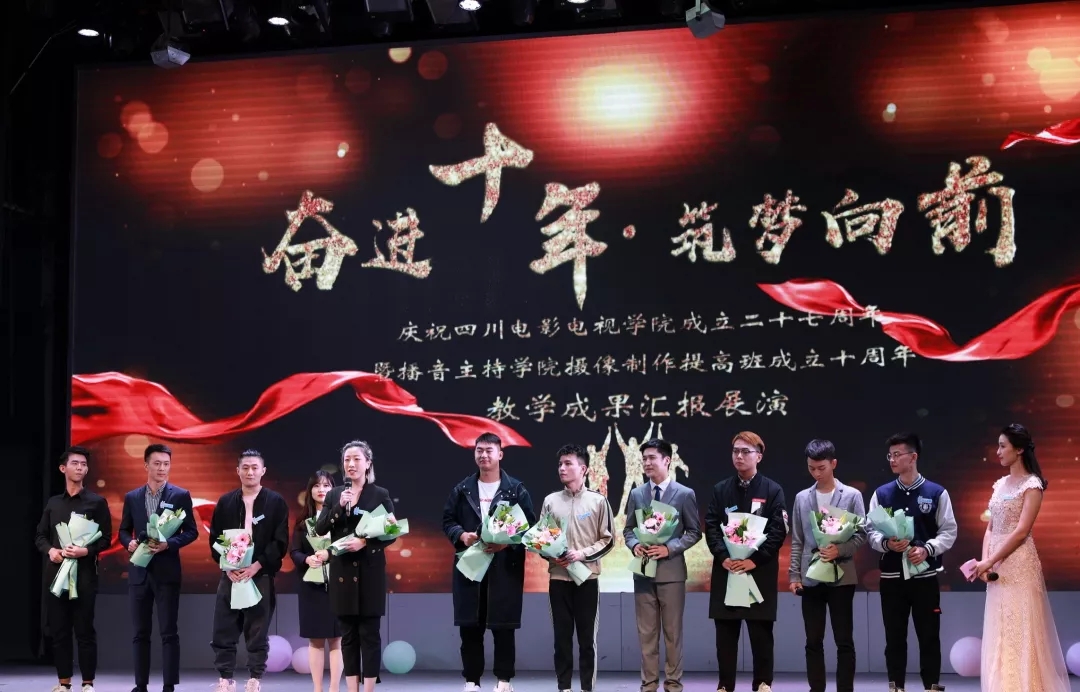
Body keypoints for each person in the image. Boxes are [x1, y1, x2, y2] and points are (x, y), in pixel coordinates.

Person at [973, 424, 1070, 692]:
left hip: (1018, 563)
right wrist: (984, 562)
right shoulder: (999, 484)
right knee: (1001, 627)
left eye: (1003, 446)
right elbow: (990, 528)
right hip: (996, 564)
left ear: (1019, 449)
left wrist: (990, 561)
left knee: (1021, 627)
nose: (998, 451)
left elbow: (1021, 532)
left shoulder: (1032, 485)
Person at [442, 432, 536, 692]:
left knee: (503, 627)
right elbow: (448, 520)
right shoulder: (462, 489)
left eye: (489, 451)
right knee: (470, 627)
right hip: (471, 566)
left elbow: (530, 527)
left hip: (504, 568)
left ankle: (504, 681)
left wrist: (507, 543)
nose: (483, 455)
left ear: (500, 454)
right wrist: (461, 535)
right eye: (479, 450)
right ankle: (472, 680)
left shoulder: (516, 489)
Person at [867, 432, 956, 692]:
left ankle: (931, 686)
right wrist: (887, 544)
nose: (892, 460)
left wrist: (927, 549)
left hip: (924, 577)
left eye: (897, 455)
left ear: (913, 457)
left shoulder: (936, 492)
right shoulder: (882, 494)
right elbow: (870, 531)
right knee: (894, 636)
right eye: (890, 455)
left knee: (929, 635)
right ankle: (896, 686)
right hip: (892, 578)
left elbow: (949, 531)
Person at [703, 431, 787, 692]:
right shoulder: (721, 490)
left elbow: (778, 531)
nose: (739, 456)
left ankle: (763, 683)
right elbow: (711, 526)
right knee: (725, 634)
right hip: (727, 570)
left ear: (758, 457)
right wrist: (724, 556)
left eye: (745, 451)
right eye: (735, 451)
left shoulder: (772, 490)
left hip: (758, 571)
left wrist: (755, 560)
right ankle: (725, 685)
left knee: (761, 634)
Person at [118, 443, 199, 692]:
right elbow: (123, 530)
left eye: (166, 464)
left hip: (167, 572)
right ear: (146, 465)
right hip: (139, 573)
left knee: (168, 632)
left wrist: (168, 544)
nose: (162, 468)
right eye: (157, 463)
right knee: (140, 633)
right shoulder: (133, 497)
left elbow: (192, 532)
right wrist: (129, 543)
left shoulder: (180, 495)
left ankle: (168, 685)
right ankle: (140, 685)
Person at [623, 437, 702, 692]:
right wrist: (635, 544)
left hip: (671, 573)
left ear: (667, 460)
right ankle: (648, 684)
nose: (646, 463)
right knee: (646, 634)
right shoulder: (637, 493)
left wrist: (669, 548)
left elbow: (694, 532)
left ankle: (673, 684)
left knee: (672, 633)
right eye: (644, 459)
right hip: (643, 572)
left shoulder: (684, 494)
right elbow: (628, 530)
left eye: (652, 458)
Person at [316, 442, 396, 692]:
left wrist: (365, 542)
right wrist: (339, 507)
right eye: (347, 460)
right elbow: (320, 528)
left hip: (369, 571)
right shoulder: (334, 494)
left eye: (356, 459)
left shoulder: (379, 494)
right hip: (342, 571)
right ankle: (352, 689)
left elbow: (392, 532)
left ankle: (369, 688)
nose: (350, 464)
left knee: (370, 634)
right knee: (348, 636)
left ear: (368, 463)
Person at [208, 449, 290, 692]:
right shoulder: (225, 502)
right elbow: (215, 538)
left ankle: (255, 678)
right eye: (245, 467)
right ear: (238, 471)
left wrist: (257, 565)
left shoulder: (275, 502)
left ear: (263, 471)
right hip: (230, 576)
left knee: (257, 629)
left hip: (260, 575)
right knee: (224, 628)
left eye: (255, 467)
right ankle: (225, 678)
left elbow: (280, 542)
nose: (250, 472)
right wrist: (227, 566)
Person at [788, 440, 866, 692]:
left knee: (844, 639)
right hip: (811, 577)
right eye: (811, 468)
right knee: (813, 640)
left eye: (821, 468)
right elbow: (798, 539)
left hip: (842, 576)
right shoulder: (802, 498)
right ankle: (817, 689)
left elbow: (862, 534)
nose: (816, 473)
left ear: (833, 463)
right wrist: (794, 575)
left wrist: (839, 550)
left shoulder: (852, 495)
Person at [35, 446, 112, 692]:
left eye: (83, 464)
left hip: (85, 575)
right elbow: (40, 536)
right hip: (56, 576)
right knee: (59, 631)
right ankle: (64, 682)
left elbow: (106, 539)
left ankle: (88, 683)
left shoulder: (96, 502)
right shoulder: (54, 503)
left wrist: (85, 551)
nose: (80, 468)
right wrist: (51, 551)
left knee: (84, 630)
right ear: (63, 468)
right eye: (75, 463)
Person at [539, 443, 615, 692]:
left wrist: (581, 554)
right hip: (558, 579)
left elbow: (608, 540)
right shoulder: (550, 501)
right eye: (560, 464)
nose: (562, 468)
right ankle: (564, 688)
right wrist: (553, 556)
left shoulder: (598, 501)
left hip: (587, 580)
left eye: (568, 463)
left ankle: (586, 688)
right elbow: (541, 539)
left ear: (583, 469)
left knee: (586, 640)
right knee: (561, 639)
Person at [290, 470, 343, 692]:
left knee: (337, 639)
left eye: (326, 485)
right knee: (315, 640)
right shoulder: (303, 523)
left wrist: (331, 554)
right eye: (317, 486)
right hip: (311, 587)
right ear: (310, 490)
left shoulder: (342, 519)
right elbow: (294, 552)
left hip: (339, 585)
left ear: (334, 489)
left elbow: (348, 547)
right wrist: (307, 559)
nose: (321, 490)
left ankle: (334, 688)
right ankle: (317, 688)